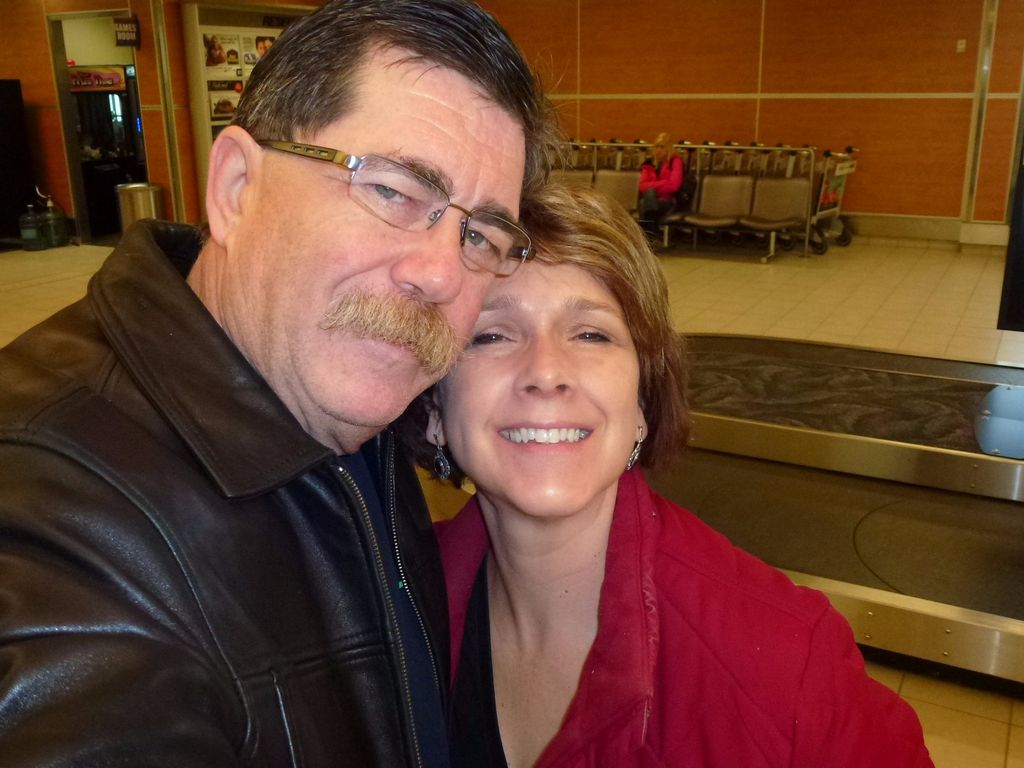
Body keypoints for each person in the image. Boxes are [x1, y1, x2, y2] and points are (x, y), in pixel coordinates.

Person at [0, 1, 556, 766]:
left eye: (480, 234)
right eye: (392, 191)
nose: (439, 273)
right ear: (236, 187)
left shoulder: (340, 391)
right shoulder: (51, 514)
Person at [399, 183, 934, 767]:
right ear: (434, 411)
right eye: (492, 335)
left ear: (642, 405)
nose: (546, 372)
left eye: (591, 334)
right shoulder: (389, 605)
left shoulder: (785, 666)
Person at [637, 130, 684, 226]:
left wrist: (652, 188)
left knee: (644, 202)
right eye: (656, 147)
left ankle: (648, 230)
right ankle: (652, 229)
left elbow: (674, 186)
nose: (658, 150)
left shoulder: (675, 161)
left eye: (662, 147)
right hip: (652, 200)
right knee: (649, 196)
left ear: (668, 148)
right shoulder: (648, 163)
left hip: (667, 201)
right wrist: (663, 183)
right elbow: (642, 186)